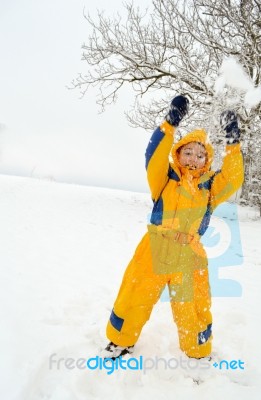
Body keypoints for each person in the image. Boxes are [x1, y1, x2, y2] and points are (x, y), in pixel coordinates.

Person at [103, 95, 244, 360]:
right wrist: (170, 124)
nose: (194, 158)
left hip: (189, 254)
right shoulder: (165, 179)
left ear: (207, 160)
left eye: (201, 155)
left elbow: (233, 178)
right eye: (188, 151)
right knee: (136, 294)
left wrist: (233, 144)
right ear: (177, 153)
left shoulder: (210, 187)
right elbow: (152, 155)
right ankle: (120, 340)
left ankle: (198, 350)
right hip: (155, 247)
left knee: (193, 305)